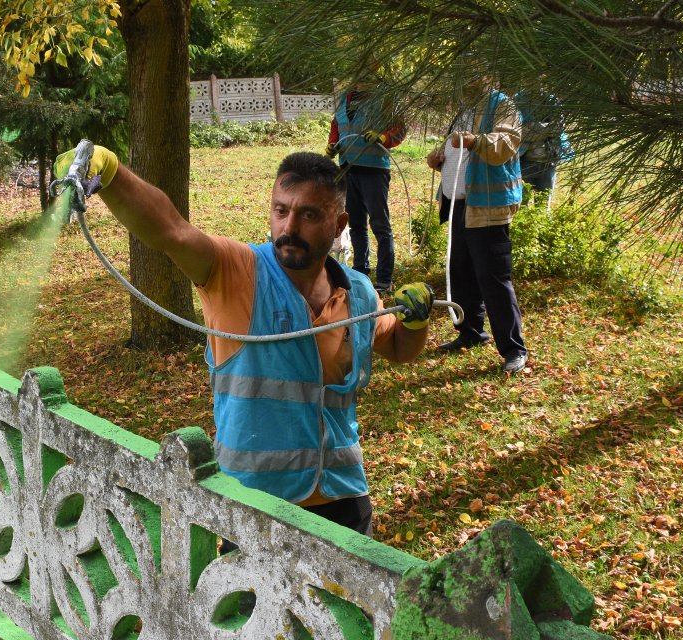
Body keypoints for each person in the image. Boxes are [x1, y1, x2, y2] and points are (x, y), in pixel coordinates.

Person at [54, 147, 435, 535]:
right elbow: (171, 230)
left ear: (339, 224)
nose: (289, 228)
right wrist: (111, 171)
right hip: (255, 505)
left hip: (345, 500)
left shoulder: (358, 293)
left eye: (309, 215)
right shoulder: (237, 272)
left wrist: (416, 324)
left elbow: (399, 347)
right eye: (281, 210)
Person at [426, 81, 529, 374]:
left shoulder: (503, 105)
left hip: (489, 205)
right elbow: (457, 151)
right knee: (461, 270)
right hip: (460, 204)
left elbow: (505, 146)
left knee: (493, 278)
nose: (466, 79)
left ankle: (514, 349)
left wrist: (474, 141)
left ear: (488, 75)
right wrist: (439, 158)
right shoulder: (465, 108)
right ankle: (470, 332)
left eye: (472, 72)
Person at [325, 85, 406, 293]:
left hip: (374, 170)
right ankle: (360, 273)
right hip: (348, 169)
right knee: (356, 224)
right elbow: (337, 125)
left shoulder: (383, 97)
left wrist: (383, 137)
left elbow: (400, 128)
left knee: (379, 224)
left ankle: (384, 279)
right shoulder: (344, 99)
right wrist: (333, 144)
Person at [513, 90, 569, 206]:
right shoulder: (517, 100)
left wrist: (532, 127)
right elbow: (519, 132)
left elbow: (558, 128)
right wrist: (546, 129)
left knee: (543, 206)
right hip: (524, 161)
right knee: (521, 205)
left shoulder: (552, 100)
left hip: (548, 162)